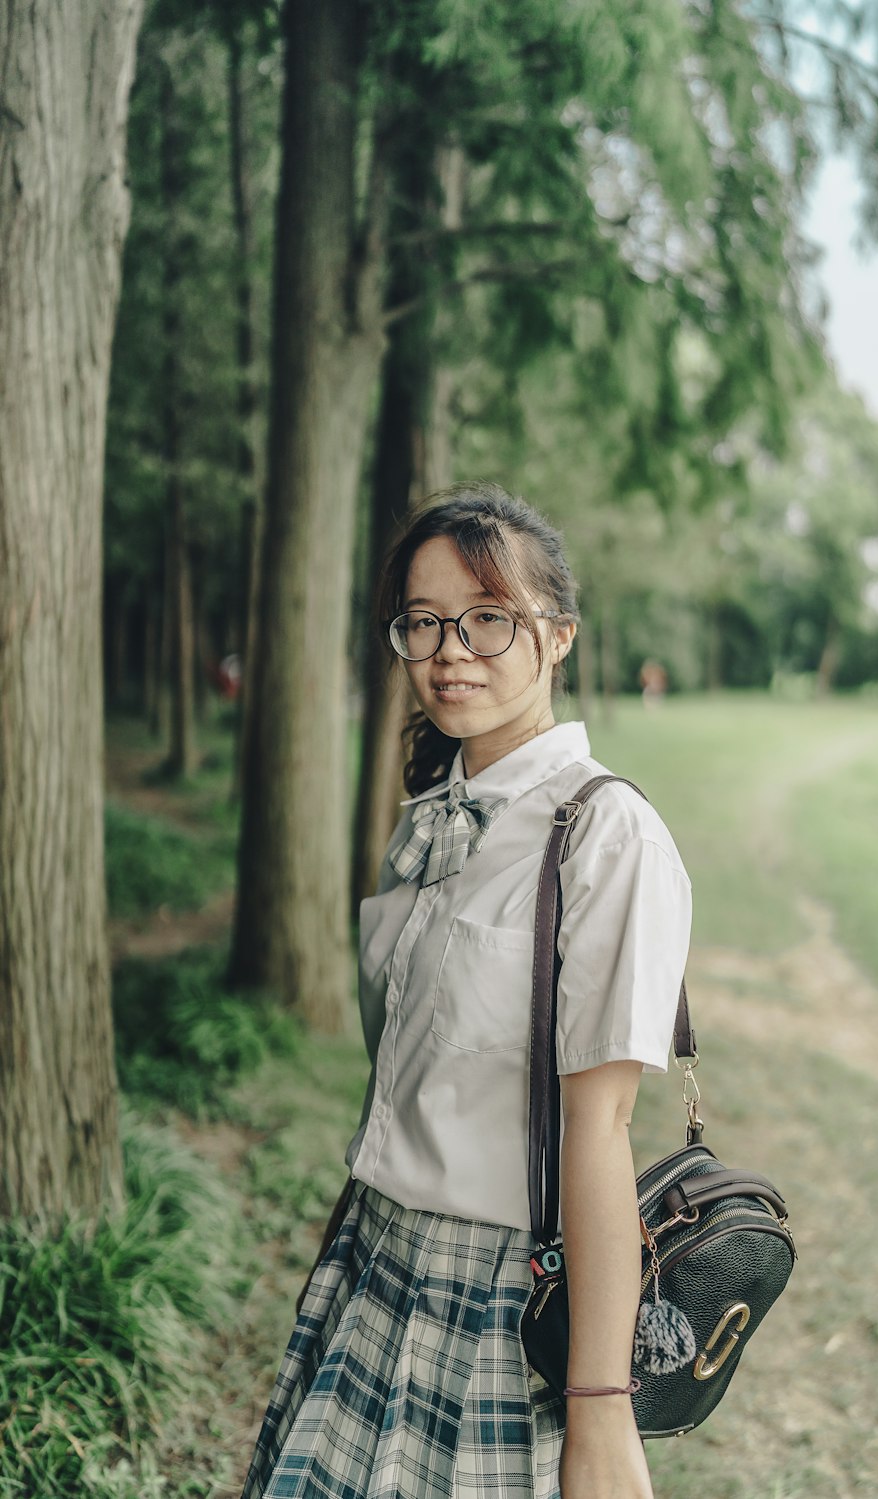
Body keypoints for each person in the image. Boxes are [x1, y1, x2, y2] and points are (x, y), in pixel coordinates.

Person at [241, 482, 692, 1499]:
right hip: (372, 1257)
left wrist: (600, 1405)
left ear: (558, 635)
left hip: (493, 1296)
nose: (452, 649)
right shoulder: (434, 820)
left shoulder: (603, 834)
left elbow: (602, 1126)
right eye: (425, 620)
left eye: (489, 617)